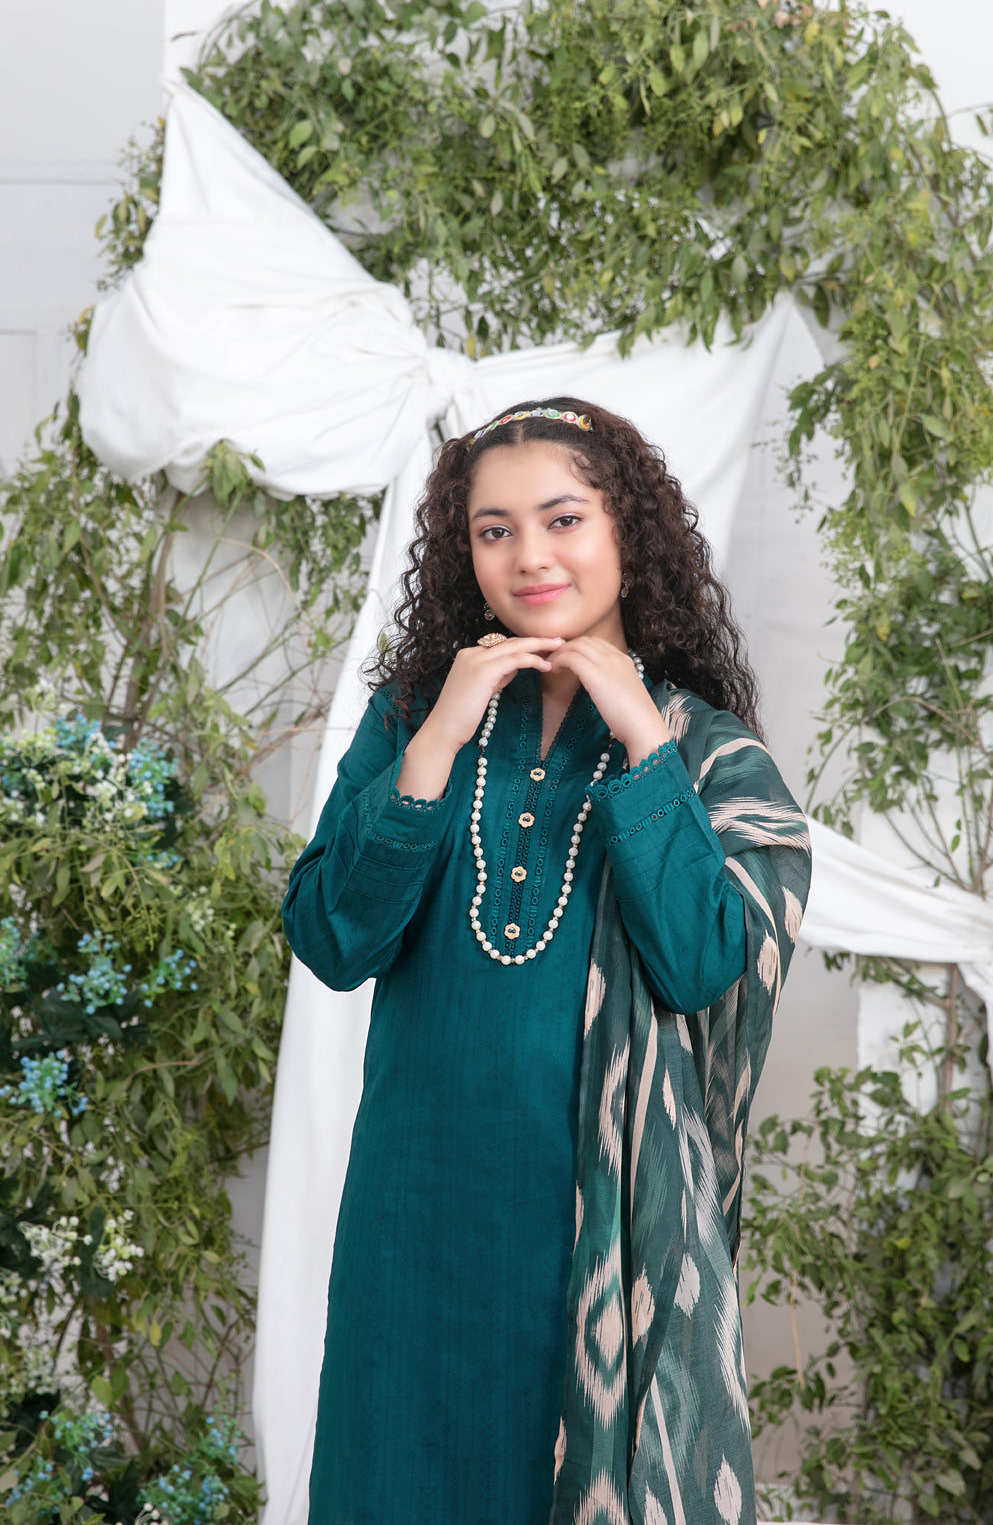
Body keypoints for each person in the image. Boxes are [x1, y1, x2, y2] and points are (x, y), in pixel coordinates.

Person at [282, 398, 811, 1525]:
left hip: (590, 1231)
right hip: (412, 1212)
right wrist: (436, 736)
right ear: (463, 552)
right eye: (494, 529)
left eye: (562, 518)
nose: (529, 556)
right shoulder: (413, 720)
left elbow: (702, 965)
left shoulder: (705, 752)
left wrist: (642, 740)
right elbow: (332, 937)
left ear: (627, 532)